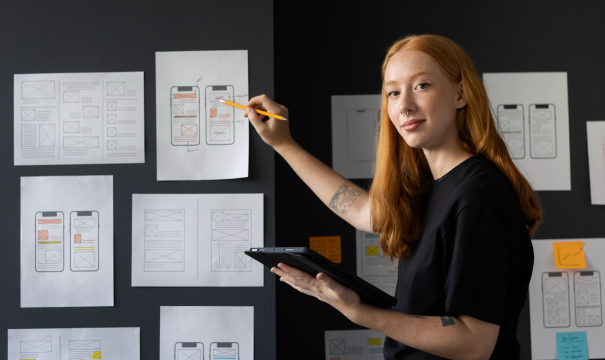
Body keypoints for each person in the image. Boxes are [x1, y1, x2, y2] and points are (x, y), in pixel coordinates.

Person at [244, 34, 542, 360]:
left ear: (461, 93)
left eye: (422, 86)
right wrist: (283, 144)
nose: (405, 105)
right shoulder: (433, 186)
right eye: (394, 93)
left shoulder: (477, 197)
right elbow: (361, 210)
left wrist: (360, 313)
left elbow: (474, 342)